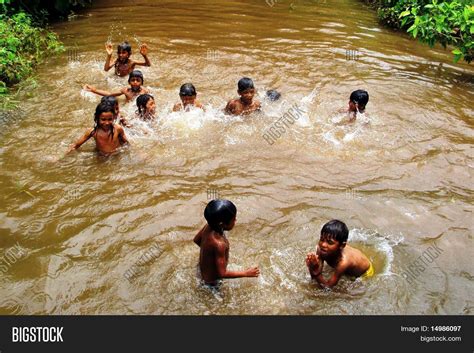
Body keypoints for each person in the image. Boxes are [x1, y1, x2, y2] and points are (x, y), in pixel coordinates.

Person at [193, 199, 260, 287]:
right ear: (222, 224)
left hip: (202, 272)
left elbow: (196, 240)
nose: (236, 220)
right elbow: (222, 273)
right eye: (233, 219)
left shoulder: (208, 226)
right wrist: (246, 273)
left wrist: (209, 256)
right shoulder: (219, 244)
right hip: (212, 283)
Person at [306, 220, 374, 288]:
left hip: (365, 273)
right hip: (350, 260)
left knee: (348, 291)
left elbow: (328, 287)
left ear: (342, 246)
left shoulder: (343, 262)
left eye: (330, 242)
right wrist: (312, 267)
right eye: (322, 239)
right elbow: (315, 276)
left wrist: (315, 272)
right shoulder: (321, 249)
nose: (323, 244)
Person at [84, 70, 149, 102]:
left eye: (138, 80)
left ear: (142, 82)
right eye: (133, 80)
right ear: (129, 82)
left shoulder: (145, 92)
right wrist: (94, 90)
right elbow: (110, 94)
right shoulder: (126, 91)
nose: (135, 82)